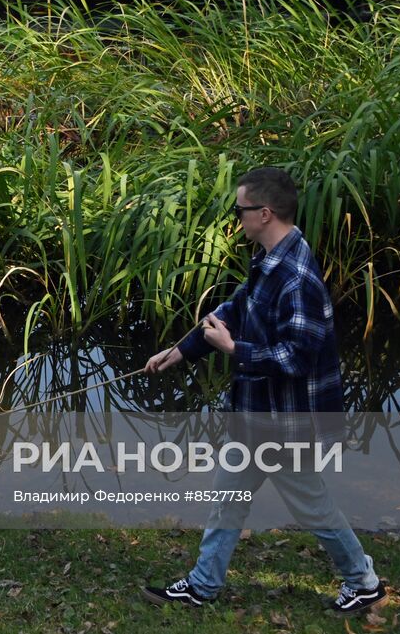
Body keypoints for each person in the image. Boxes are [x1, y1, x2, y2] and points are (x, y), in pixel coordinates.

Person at [141, 167, 386, 616]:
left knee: (313, 508)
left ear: (265, 213)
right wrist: (182, 350)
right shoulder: (271, 260)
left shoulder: (297, 277)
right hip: (257, 417)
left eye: (241, 211)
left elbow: (298, 357)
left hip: (285, 423)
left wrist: (234, 349)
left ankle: (363, 581)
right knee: (227, 501)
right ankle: (203, 585)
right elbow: (237, 306)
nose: (237, 219)